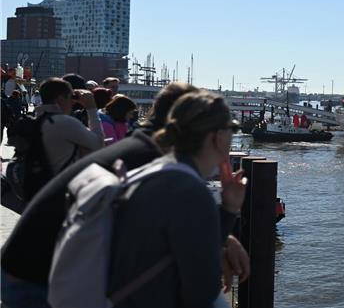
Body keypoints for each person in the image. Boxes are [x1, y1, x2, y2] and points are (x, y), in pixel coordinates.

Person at [1, 83, 249, 307]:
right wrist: (225, 222)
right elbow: (200, 287)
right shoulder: (160, 167)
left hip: (31, 265)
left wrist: (222, 236)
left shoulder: (145, 155)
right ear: (215, 135)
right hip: (38, 277)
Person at [107, 90, 246, 307]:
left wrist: (229, 208)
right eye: (232, 129)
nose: (232, 136)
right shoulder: (190, 192)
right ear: (217, 136)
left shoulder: (161, 171)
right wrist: (229, 212)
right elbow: (203, 292)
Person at [35, 77, 104, 174]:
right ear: (60, 99)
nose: (73, 102)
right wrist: (91, 107)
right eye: (71, 97)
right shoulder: (65, 122)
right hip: (62, 183)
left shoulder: (37, 119)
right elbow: (99, 145)